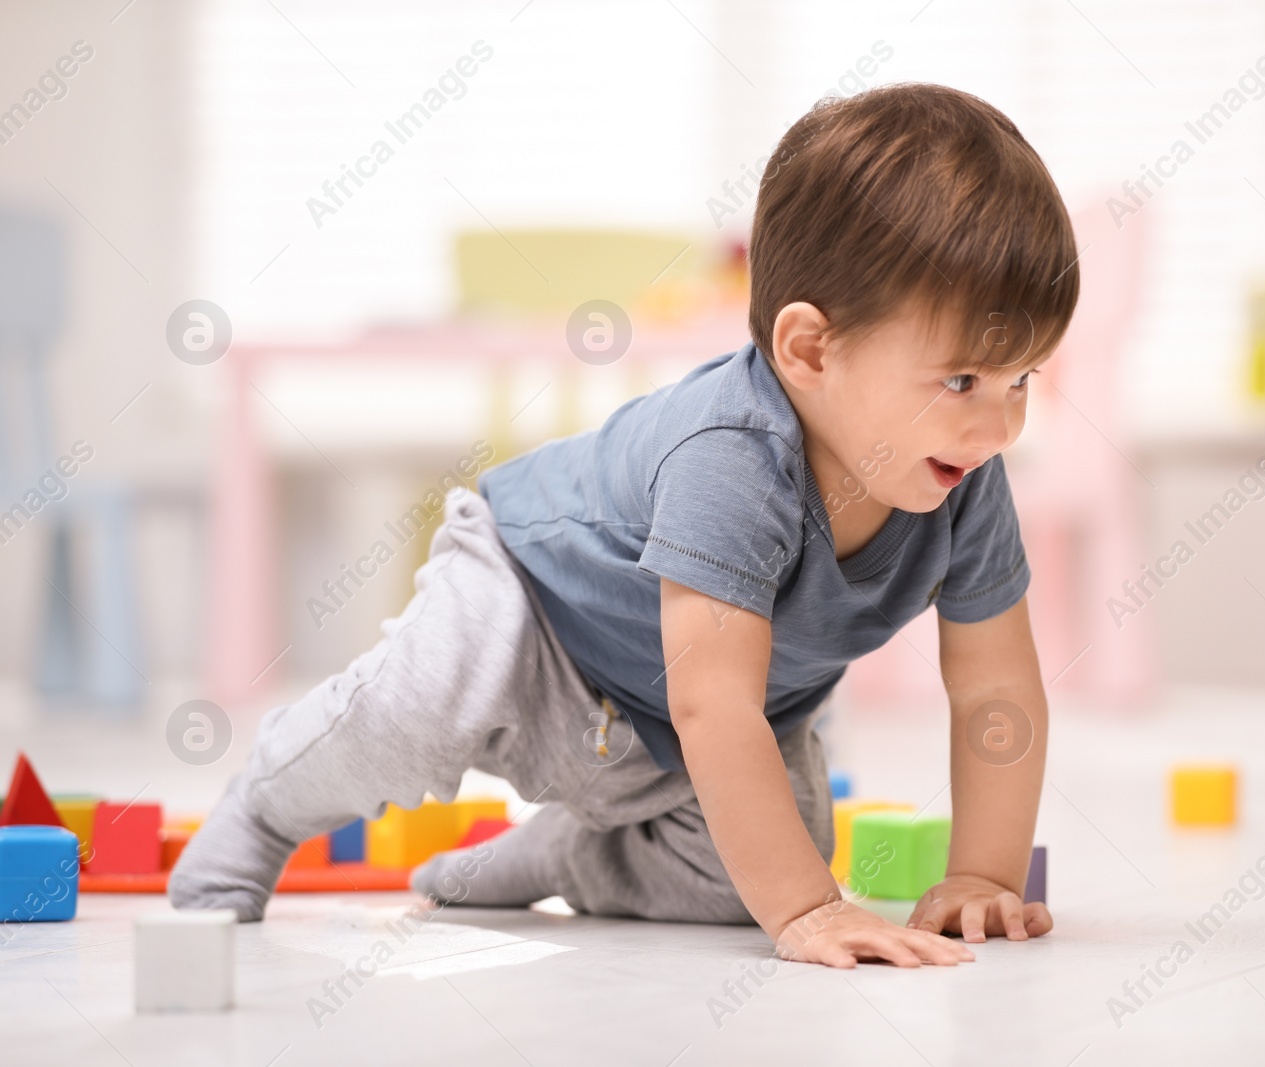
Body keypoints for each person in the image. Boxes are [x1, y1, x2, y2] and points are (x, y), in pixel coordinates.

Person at [171, 81, 1080, 969]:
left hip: (681, 719)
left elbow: (996, 690)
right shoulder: (733, 454)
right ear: (810, 350)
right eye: (963, 381)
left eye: (1022, 380)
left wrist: (980, 873)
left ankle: (562, 855)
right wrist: (807, 912)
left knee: (742, 880)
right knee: (403, 717)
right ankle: (261, 807)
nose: (998, 424)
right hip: (530, 604)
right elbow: (711, 701)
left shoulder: (964, 475)